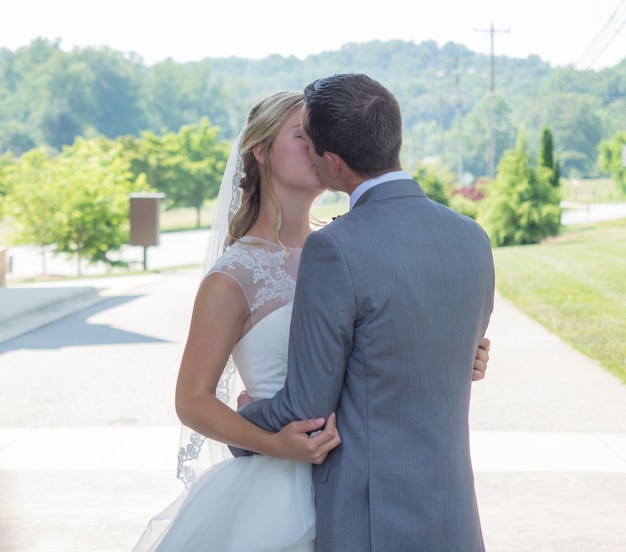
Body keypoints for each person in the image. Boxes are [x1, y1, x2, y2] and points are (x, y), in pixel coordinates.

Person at [133, 88, 491, 551]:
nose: (317, 144)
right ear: (260, 151)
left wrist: (459, 353)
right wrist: (271, 442)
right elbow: (192, 400)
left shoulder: (351, 244)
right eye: (302, 135)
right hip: (281, 491)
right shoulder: (234, 277)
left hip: (371, 495)